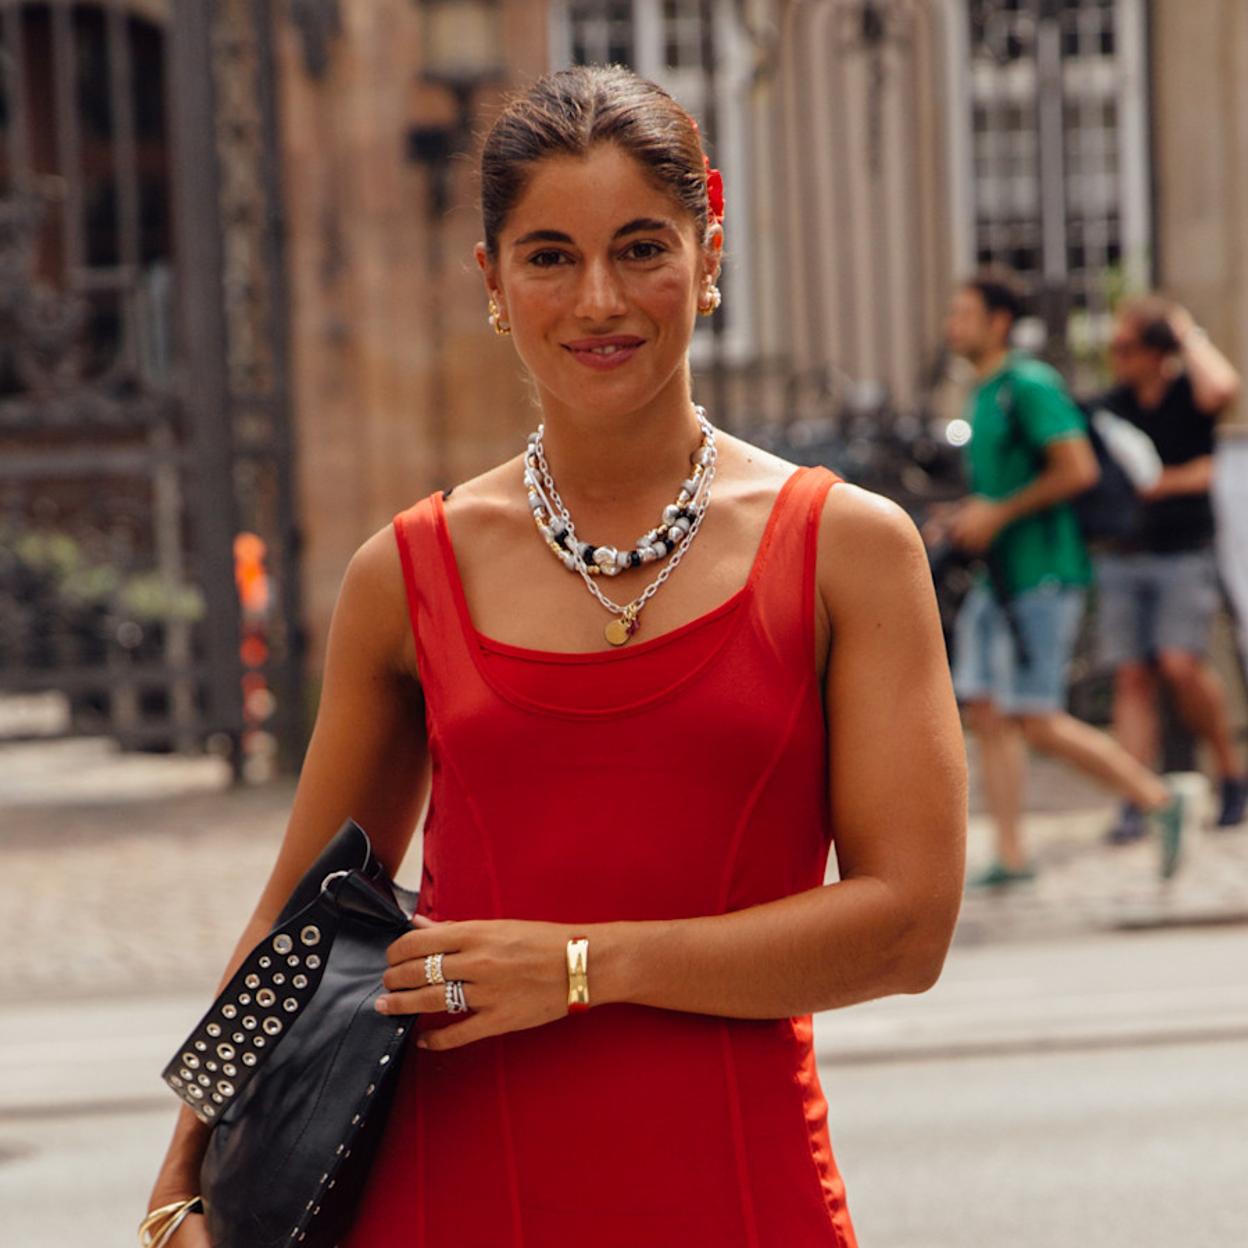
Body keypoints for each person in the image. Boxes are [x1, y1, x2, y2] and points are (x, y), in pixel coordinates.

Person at [143, 65, 966, 1247]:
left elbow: (909, 927)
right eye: (548, 256)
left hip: (734, 1191)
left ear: (709, 251)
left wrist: (581, 967)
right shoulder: (406, 572)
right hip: (444, 1192)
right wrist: (184, 1182)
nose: (599, 301)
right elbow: (296, 920)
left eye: (642, 248)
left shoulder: (846, 551)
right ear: (491, 279)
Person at [930, 267, 1188, 889]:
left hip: (1043, 573)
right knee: (988, 711)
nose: (951, 325)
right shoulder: (983, 391)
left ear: (997, 323)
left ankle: (1158, 798)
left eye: (963, 314)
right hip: (1000, 579)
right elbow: (1002, 487)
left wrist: (1001, 511)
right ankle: (1011, 854)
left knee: (1037, 718)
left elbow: (1076, 470)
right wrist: (969, 514)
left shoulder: (1030, 383)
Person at [1097, 296, 1245, 839]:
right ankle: (1136, 796)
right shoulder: (1114, 406)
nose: (1117, 356)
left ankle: (1230, 773)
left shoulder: (1188, 395)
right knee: (1132, 675)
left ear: (1158, 352)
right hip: (1125, 552)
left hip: (1185, 551)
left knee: (1181, 665)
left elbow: (1224, 388)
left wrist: (1185, 329)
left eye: (1127, 346)